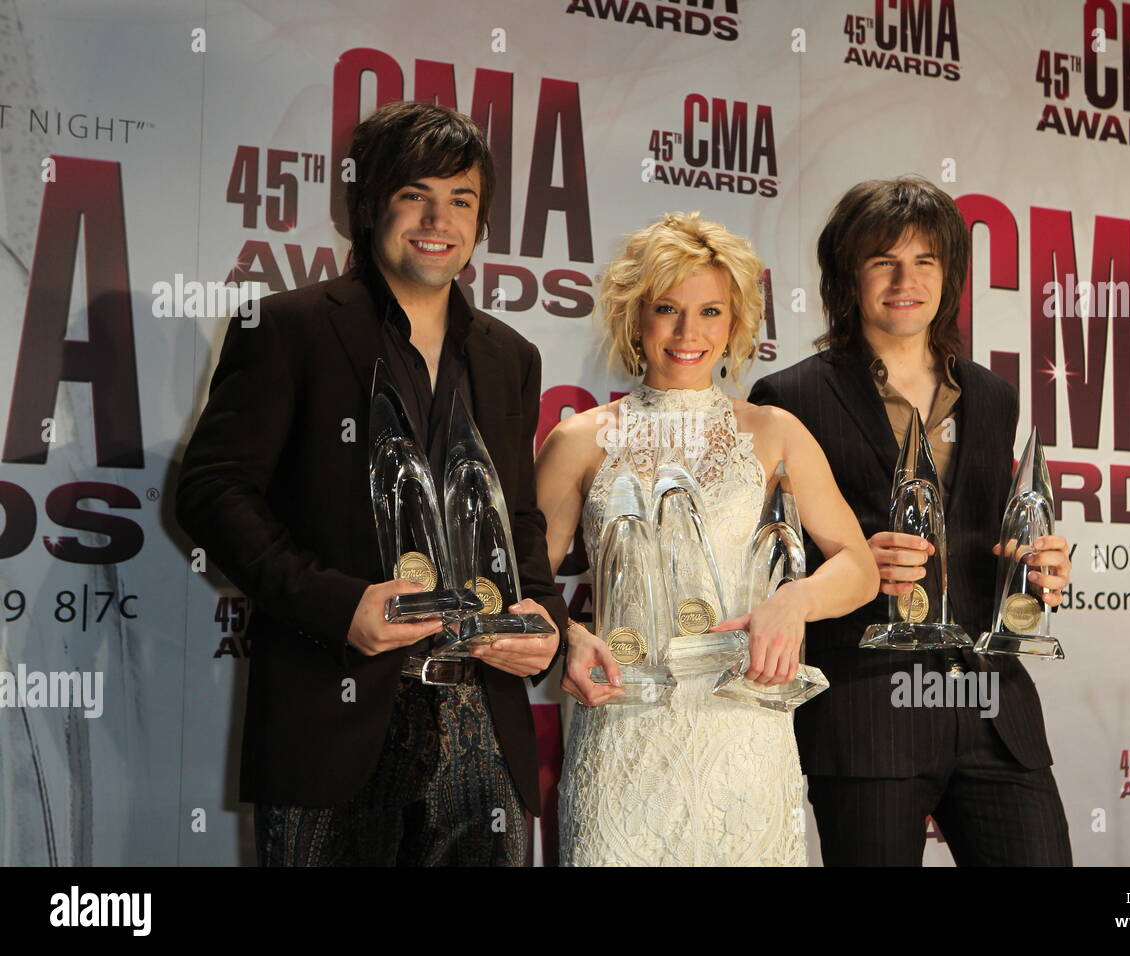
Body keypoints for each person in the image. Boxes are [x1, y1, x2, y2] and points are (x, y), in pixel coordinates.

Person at [175, 102, 565, 866]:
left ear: (482, 224)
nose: (437, 219)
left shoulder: (509, 357)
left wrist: (542, 623)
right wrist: (339, 604)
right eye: (415, 193)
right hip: (335, 710)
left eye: (461, 200)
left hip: (483, 722)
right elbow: (214, 493)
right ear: (369, 206)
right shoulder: (286, 328)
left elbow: (516, 521)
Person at [749, 175, 1074, 866]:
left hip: (992, 704)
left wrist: (1037, 564)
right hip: (868, 709)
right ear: (848, 276)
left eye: (926, 260)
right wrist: (851, 559)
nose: (907, 279)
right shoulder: (789, 396)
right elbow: (765, 558)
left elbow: (991, 530)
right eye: (883, 261)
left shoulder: (993, 396)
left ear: (949, 274)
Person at [535, 212, 879, 865]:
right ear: (635, 317)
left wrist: (794, 602)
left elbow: (859, 567)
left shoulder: (775, 432)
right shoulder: (577, 440)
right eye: (667, 308)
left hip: (744, 739)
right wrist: (570, 638)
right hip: (622, 737)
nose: (689, 332)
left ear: (737, 323)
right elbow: (523, 589)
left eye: (711, 311)